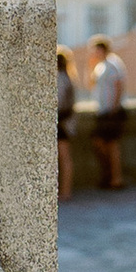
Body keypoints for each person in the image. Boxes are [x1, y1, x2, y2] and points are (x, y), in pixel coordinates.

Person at [88, 37, 129, 194]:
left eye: (95, 49)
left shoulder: (113, 63)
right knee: (101, 142)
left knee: (111, 144)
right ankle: (110, 175)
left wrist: (114, 107)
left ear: (102, 49)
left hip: (111, 111)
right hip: (103, 110)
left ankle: (116, 178)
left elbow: (119, 84)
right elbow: (91, 85)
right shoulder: (100, 66)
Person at [56, 49, 77, 205]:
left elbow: (60, 104)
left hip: (61, 123)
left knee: (64, 158)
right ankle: (65, 190)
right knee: (64, 158)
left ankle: (66, 191)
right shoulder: (67, 77)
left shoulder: (61, 78)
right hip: (65, 122)